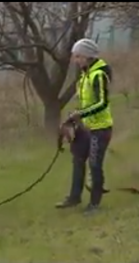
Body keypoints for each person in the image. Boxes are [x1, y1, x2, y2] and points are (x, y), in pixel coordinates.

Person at [55, 38, 113, 213]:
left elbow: (102, 103)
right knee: (78, 160)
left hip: (101, 128)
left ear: (88, 56)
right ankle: (74, 198)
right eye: (74, 56)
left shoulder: (99, 74)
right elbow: (85, 102)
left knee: (94, 164)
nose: (75, 60)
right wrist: (73, 117)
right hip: (86, 127)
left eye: (78, 56)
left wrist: (81, 114)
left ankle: (95, 204)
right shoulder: (85, 73)